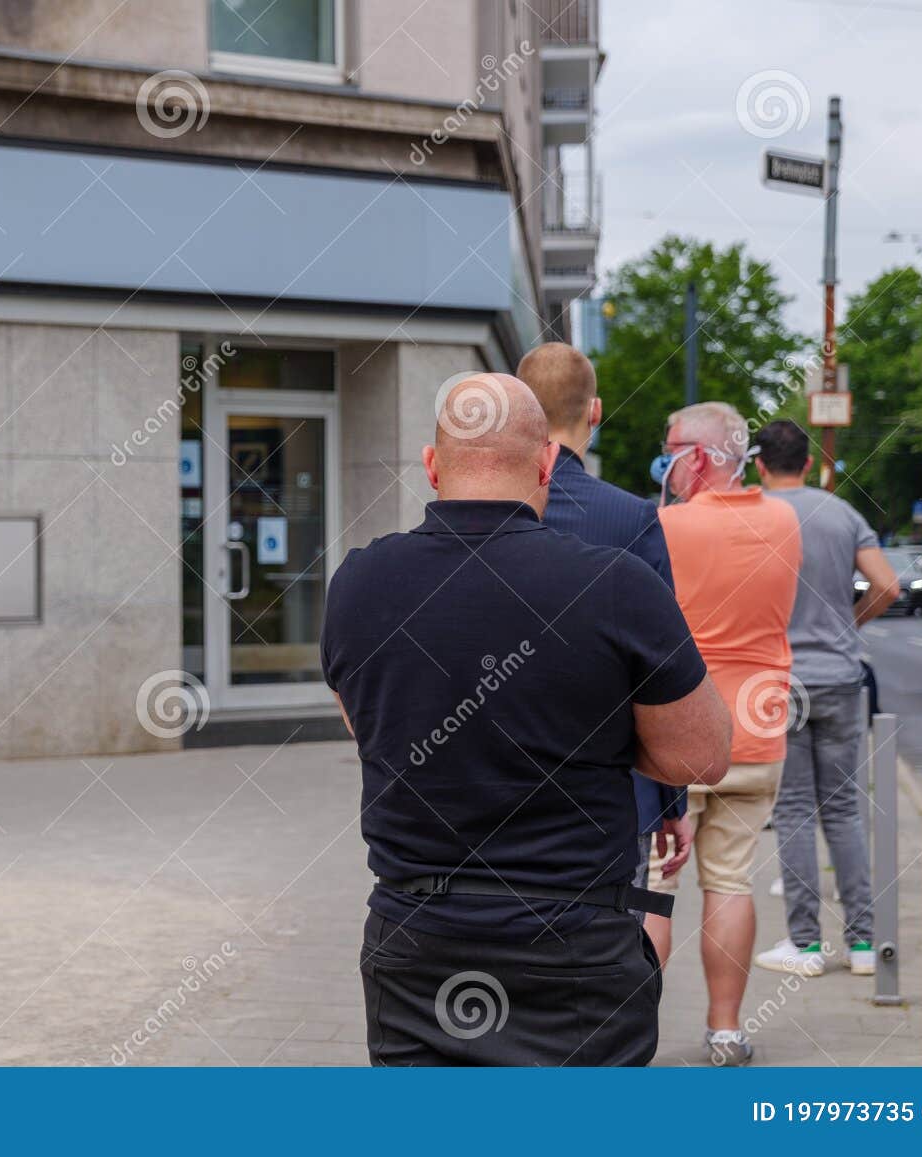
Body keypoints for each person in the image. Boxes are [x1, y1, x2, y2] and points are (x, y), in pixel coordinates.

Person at [321, 372, 731, 1067]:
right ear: (546, 461)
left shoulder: (358, 583)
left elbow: (371, 727)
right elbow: (701, 756)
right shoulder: (615, 583)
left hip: (416, 941)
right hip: (572, 943)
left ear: (432, 465)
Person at [645, 401, 802, 1067]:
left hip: (679, 732)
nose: (665, 462)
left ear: (701, 457)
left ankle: (633, 1031)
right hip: (758, 731)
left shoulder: (664, 527)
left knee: (653, 885)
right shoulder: (784, 520)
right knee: (730, 880)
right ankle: (726, 1029)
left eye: (672, 449)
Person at [516, 342, 692, 895]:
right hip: (613, 793)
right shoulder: (631, 516)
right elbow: (662, 664)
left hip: (498, 789)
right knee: (609, 950)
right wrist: (670, 800)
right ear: (594, 412)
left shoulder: (488, 509)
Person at [753, 419, 898, 979]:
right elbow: (886, 585)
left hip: (779, 680)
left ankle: (806, 945)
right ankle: (864, 945)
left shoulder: (752, 515)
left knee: (792, 811)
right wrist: (849, 624)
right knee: (843, 810)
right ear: (809, 464)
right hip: (840, 675)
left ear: (760, 465)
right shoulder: (842, 514)